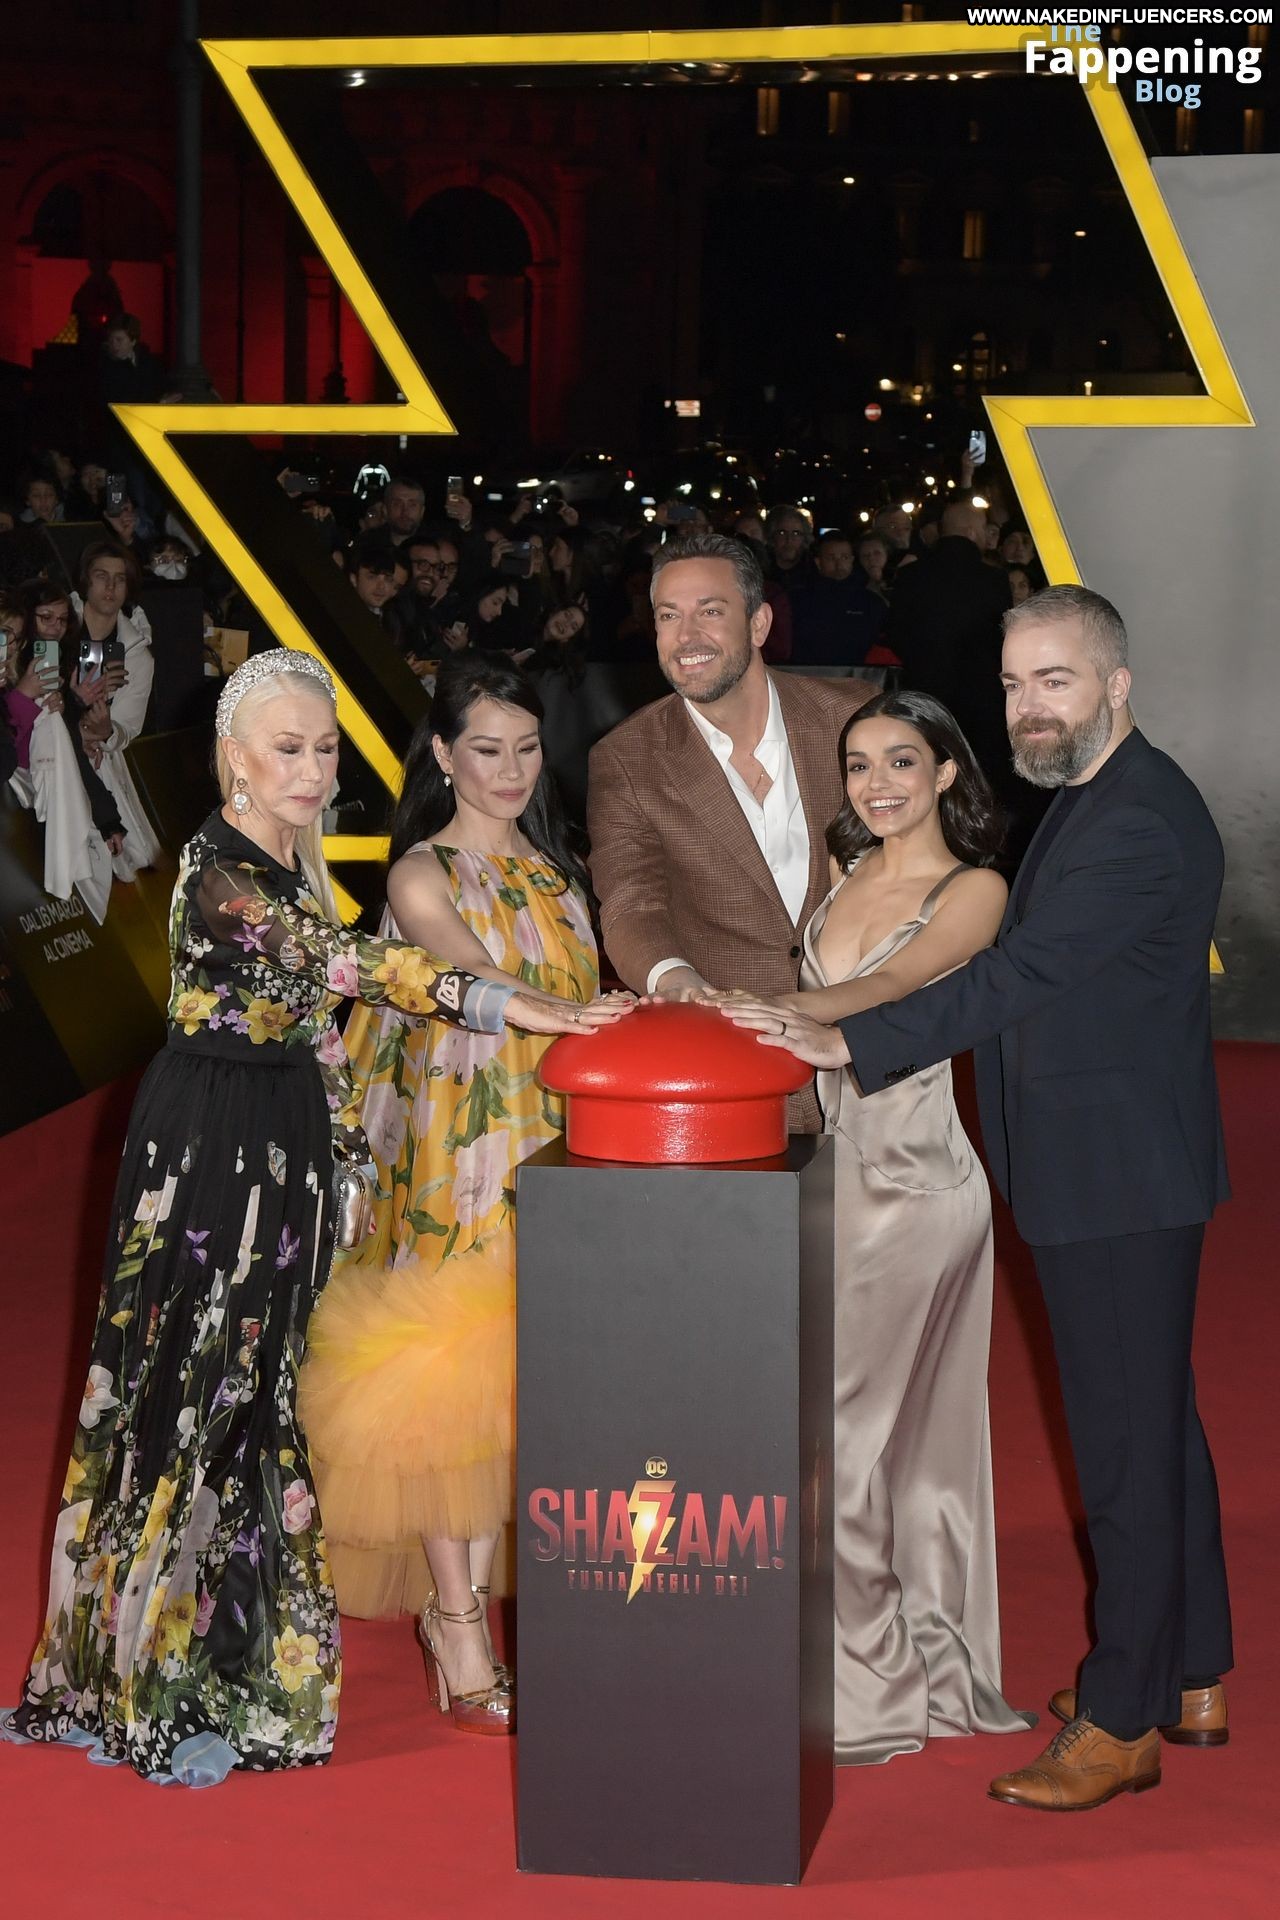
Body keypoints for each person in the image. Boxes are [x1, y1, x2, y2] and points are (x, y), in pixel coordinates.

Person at [0, 649, 613, 1786]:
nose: (312, 768)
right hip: (211, 1155)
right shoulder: (221, 871)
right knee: (192, 1394)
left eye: (324, 748)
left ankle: (228, 1668)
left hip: (280, 1142)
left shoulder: (293, 855)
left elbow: (318, 1028)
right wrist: (504, 999)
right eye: (287, 748)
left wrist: (348, 1148)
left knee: (257, 1397)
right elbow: (349, 966)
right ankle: (144, 1673)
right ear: (232, 756)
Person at [725, 586, 1232, 1811]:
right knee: (1154, 1425)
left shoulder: (1133, 817)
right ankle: (1188, 1672)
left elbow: (1021, 974)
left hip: (1114, 1174)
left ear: (1114, 682)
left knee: (1123, 1445)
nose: (1026, 705)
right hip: (1108, 1162)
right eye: (1011, 684)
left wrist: (856, 1040)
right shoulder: (1092, 797)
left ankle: (1121, 1719)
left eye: (1053, 680)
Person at [300, 657, 623, 1734]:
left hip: (557, 1128)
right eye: (486, 749)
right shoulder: (418, 874)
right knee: (453, 1370)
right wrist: (562, 1013)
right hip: (458, 1138)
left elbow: (580, 983)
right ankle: (456, 1622)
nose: (511, 770)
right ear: (442, 756)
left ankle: (481, 1598)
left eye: (527, 748)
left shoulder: (559, 871)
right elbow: (465, 971)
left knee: (528, 1368)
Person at [717, 688, 1033, 1763]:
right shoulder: (847, 869)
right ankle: (878, 1655)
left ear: (945, 772)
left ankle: (867, 1688)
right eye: (858, 765)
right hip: (836, 1177)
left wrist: (772, 1014)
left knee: (843, 1432)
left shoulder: (975, 887)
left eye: (901, 761)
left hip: (915, 1185)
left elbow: (897, 984)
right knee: (876, 1440)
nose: (876, 784)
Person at [587, 530, 875, 1130]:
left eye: (710, 611)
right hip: (735, 1066)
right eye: (668, 616)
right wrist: (678, 983)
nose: (686, 636)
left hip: (874, 1054)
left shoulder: (853, 719)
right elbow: (632, 903)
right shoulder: (627, 757)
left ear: (760, 623)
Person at [70, 540, 161, 880]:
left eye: (119, 579)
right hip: (43, 745)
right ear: (85, 581)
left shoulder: (137, 654)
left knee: (130, 859)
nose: (110, 587)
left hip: (99, 758)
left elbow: (128, 727)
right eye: (101, 576)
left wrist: (104, 730)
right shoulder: (56, 624)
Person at [787, 530, 887, 672]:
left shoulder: (871, 602)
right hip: (810, 675)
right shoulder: (798, 600)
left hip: (859, 677)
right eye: (831, 558)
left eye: (845, 557)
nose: (839, 563)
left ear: (852, 560)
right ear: (818, 562)